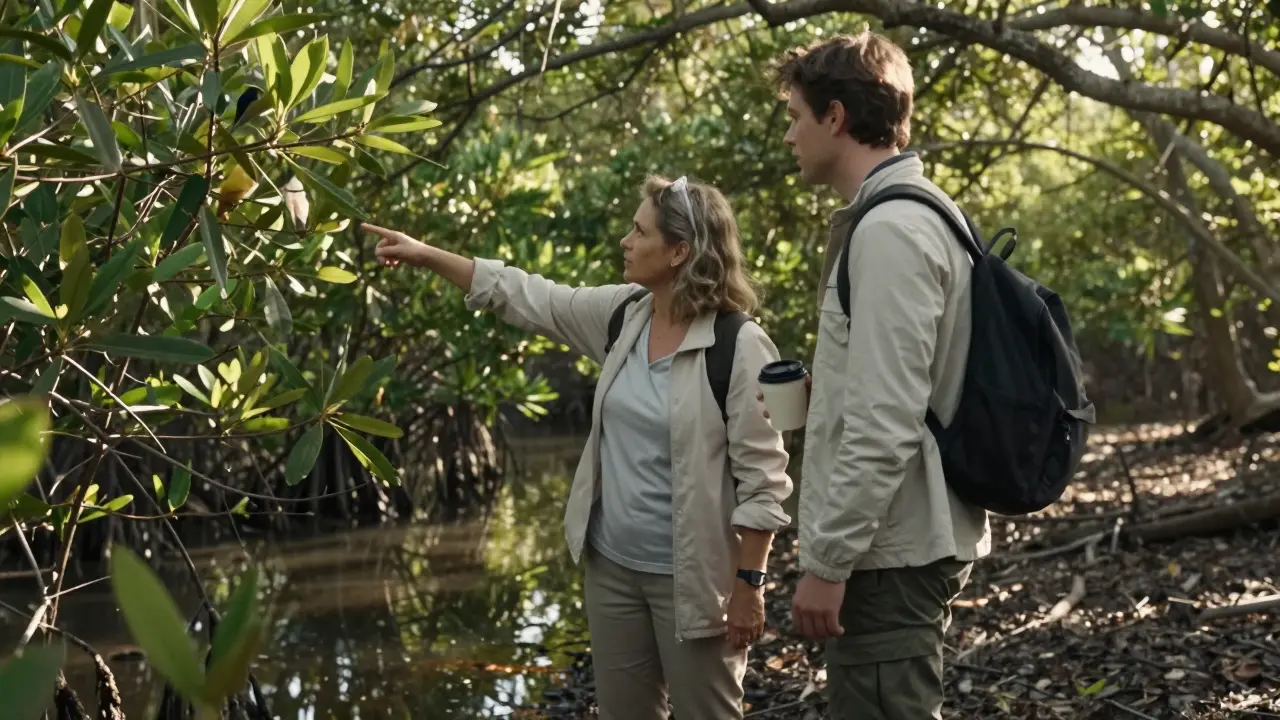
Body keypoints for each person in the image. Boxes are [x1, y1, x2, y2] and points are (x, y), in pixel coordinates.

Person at [362, 175, 793, 720]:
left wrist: (749, 587)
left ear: (679, 252)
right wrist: (426, 255)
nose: (626, 241)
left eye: (639, 232)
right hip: (611, 567)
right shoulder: (624, 315)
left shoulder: (738, 345)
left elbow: (763, 479)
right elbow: (531, 296)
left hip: (694, 580)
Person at [772, 32, 992, 719]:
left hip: (887, 553)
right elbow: (899, 388)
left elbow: (888, 421)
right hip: (889, 539)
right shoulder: (899, 217)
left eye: (795, 116)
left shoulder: (892, 230)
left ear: (835, 117)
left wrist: (828, 563)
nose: (789, 137)